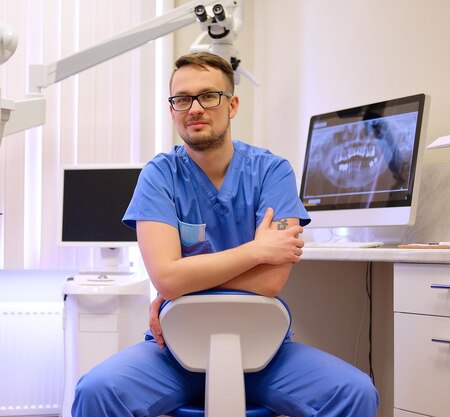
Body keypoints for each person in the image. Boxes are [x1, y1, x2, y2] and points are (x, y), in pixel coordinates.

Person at [71, 52, 379, 417]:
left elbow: (271, 280)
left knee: (356, 393)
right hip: (172, 351)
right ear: (172, 110)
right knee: (95, 392)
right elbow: (167, 279)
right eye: (182, 99)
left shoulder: (272, 172)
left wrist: (187, 280)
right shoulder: (159, 176)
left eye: (209, 96)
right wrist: (257, 250)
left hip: (265, 351)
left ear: (231, 104)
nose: (195, 108)